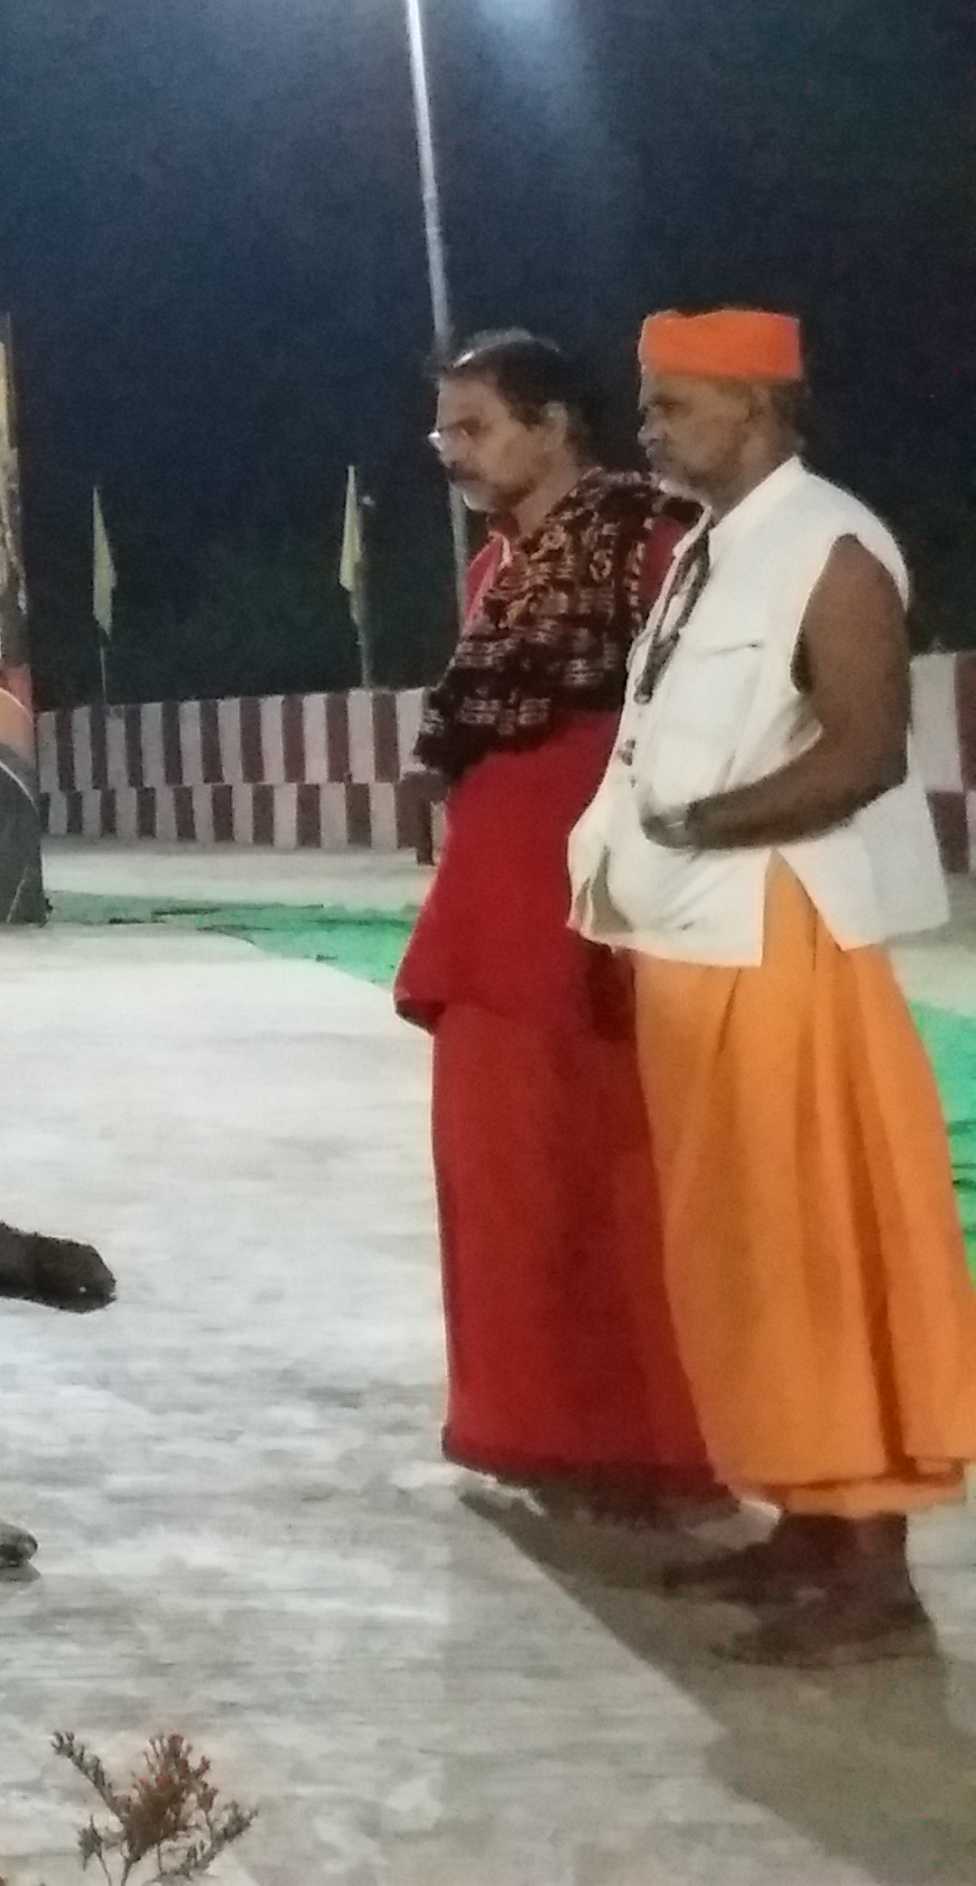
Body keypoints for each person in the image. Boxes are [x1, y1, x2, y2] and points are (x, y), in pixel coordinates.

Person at [570, 308, 976, 1666]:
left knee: (818, 1247)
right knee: (741, 1248)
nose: (648, 429)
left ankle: (875, 1568)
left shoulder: (834, 547)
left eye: (672, 406)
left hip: (785, 940)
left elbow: (862, 753)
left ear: (755, 407)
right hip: (701, 943)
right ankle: (803, 1521)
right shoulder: (713, 549)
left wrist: (696, 826)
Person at [396, 332, 714, 1521]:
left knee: (616, 1183)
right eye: (443, 431)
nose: (451, 454)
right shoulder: (500, 570)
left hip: (609, 917)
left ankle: (656, 1445)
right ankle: (530, 1431)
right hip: (494, 917)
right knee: (506, 1181)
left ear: (554, 423)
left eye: (474, 427)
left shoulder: (656, 545)